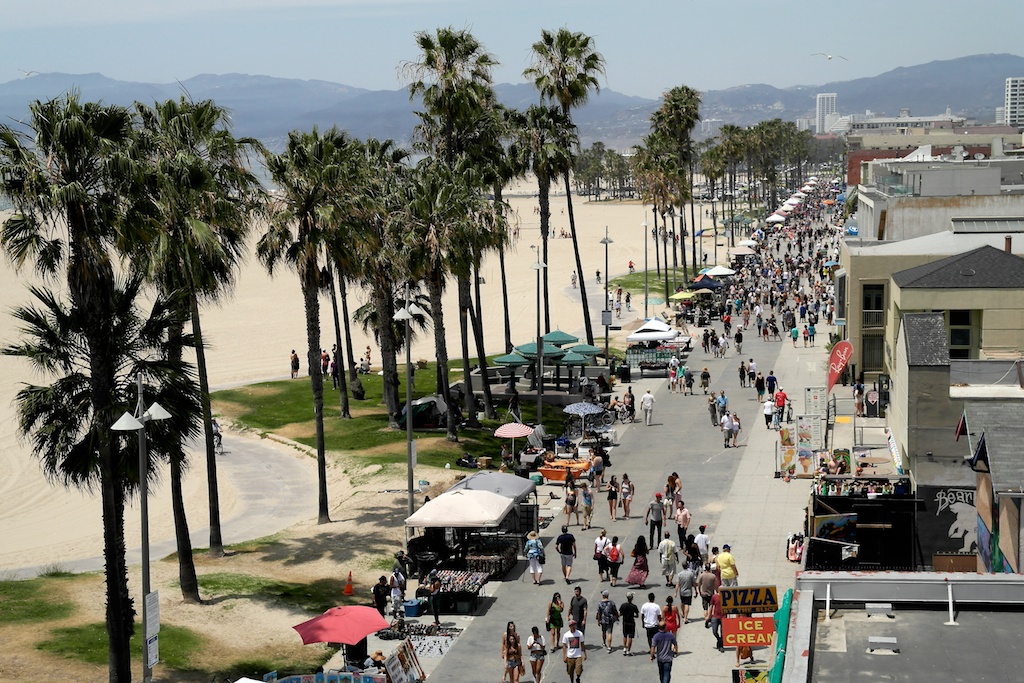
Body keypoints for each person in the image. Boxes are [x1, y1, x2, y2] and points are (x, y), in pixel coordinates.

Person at [561, 618, 586, 683]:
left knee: (579, 668)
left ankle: (578, 677)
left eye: (574, 625)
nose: (573, 626)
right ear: (569, 626)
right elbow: (564, 646)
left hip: (578, 655)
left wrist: (585, 654)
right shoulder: (566, 635)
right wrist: (564, 656)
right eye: (572, 625)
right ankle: (572, 681)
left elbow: (582, 644)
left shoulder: (579, 633)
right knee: (570, 671)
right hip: (570, 656)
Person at [618, 592, 640, 656]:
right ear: (632, 598)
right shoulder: (634, 606)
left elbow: (620, 614)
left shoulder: (623, 605)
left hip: (625, 622)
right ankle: (628, 650)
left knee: (625, 635)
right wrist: (633, 616)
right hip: (631, 622)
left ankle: (624, 648)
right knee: (630, 636)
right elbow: (637, 615)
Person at [706, 584, 725, 652]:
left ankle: (721, 645)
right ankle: (719, 639)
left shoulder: (726, 597)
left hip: (724, 616)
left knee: (723, 633)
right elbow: (711, 606)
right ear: (718, 590)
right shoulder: (714, 597)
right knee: (714, 631)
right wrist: (709, 615)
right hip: (715, 616)